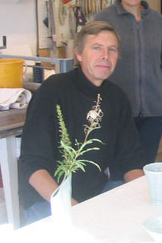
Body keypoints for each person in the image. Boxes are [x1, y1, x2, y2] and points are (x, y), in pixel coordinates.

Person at [19, 21, 145, 223]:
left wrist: (147, 198)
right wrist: (74, 210)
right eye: (96, 48)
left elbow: (130, 158)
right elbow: (32, 164)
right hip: (48, 199)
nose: (105, 55)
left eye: (112, 49)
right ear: (79, 54)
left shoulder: (116, 97)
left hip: (96, 192)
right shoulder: (54, 90)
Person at [95, 0, 162, 165]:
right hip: (118, 111)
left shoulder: (156, 20)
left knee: (146, 167)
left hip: (154, 111)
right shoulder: (104, 20)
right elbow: (94, 67)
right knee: (119, 170)